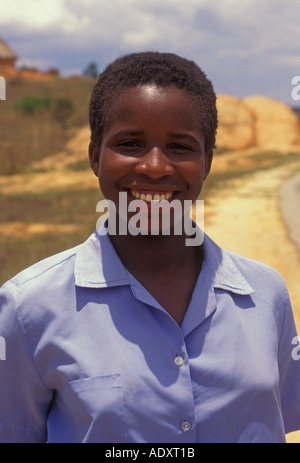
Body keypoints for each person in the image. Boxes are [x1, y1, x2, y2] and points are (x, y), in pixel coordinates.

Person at [0, 52, 300, 443]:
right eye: (131, 143)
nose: (155, 166)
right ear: (95, 157)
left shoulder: (265, 296)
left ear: (207, 162)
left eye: (180, 147)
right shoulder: (29, 309)